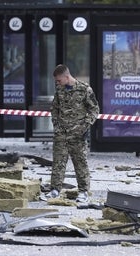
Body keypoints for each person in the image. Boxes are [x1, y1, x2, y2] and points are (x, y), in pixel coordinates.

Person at [46, 64, 100, 203]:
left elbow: (94, 109)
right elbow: (54, 109)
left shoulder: (84, 89)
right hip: (61, 134)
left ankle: (83, 192)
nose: (57, 83)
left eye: (59, 80)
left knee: (80, 162)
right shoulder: (60, 90)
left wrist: (85, 126)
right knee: (58, 162)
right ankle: (54, 190)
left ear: (66, 76)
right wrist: (56, 126)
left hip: (78, 134)